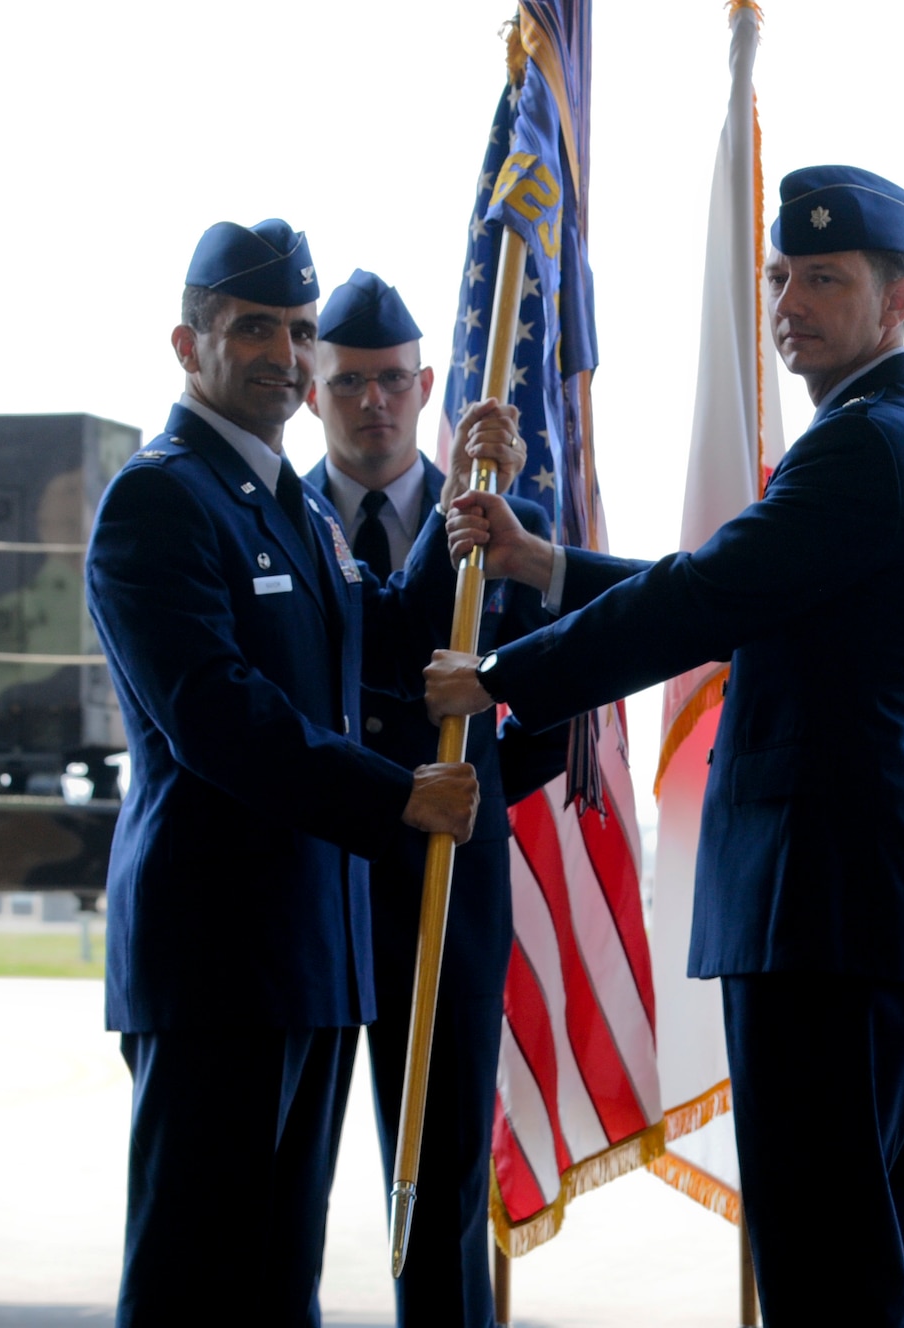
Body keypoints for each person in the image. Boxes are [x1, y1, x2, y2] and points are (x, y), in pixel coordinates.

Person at [423, 165, 904, 1326]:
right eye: (780, 276)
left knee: (829, 1266)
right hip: (850, 907)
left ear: (897, 299)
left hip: (824, 912)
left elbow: (718, 590)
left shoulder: (867, 444)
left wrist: (508, 672)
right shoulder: (884, 434)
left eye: (824, 278)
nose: (789, 301)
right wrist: (549, 568)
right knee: (855, 1256)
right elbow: (752, 594)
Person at [85, 220, 483, 1327]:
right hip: (216, 959)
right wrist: (392, 793)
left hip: (311, 952)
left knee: (274, 1286)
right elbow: (218, 713)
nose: (284, 350)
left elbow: (378, 635)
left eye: (299, 330)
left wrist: (472, 511)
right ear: (188, 341)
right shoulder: (161, 500)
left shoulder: (289, 506)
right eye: (253, 325)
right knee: (193, 1282)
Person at [304, 268, 566, 1328]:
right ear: (314, 390)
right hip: (321, 870)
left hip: (451, 881)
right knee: (292, 1175)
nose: (374, 402)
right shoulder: (277, 520)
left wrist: (479, 788)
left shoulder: (503, 522)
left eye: (395, 382)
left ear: (426, 392)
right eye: (350, 382)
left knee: (446, 1162)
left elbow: (552, 706)